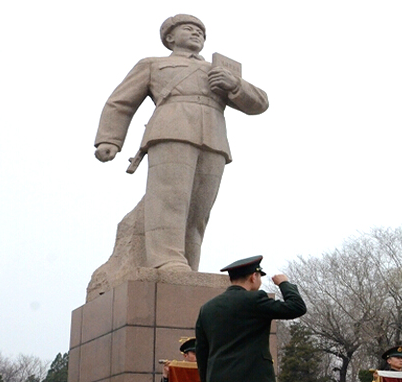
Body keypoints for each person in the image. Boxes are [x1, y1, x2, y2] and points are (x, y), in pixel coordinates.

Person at [94, 14, 270, 272]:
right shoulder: (152, 64)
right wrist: (109, 138)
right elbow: (120, 102)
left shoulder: (219, 70)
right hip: (171, 131)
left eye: (201, 31)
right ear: (170, 37)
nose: (197, 34)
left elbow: (260, 104)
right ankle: (165, 259)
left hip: (214, 139)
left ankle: (187, 264)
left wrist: (235, 85)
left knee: (199, 211)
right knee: (169, 200)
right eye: (189, 29)